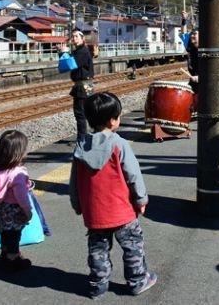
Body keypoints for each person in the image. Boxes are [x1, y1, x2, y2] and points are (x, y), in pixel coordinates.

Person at [70, 93, 157, 299]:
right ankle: (137, 281)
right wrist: (141, 199)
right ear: (112, 120)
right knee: (132, 247)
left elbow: (74, 181)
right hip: (122, 212)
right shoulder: (119, 144)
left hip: (94, 214)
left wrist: (77, 203)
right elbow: (134, 175)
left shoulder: (80, 147)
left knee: (98, 250)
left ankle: (98, 285)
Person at [0, 130, 33, 271]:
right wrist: (28, 212)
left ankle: (5, 252)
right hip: (15, 210)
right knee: (14, 235)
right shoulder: (18, 174)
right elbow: (22, 198)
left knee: (6, 232)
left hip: (2, 209)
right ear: (19, 153)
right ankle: (12, 260)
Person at [64, 29, 94, 141]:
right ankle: (85, 136)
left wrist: (63, 53)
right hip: (84, 84)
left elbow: (71, 64)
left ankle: (82, 138)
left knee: (80, 113)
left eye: (76, 36)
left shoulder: (82, 51)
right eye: (73, 36)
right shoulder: (78, 51)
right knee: (85, 112)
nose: (74, 38)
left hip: (83, 85)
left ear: (82, 39)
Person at [180, 11, 199, 91]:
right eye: (191, 34)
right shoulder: (188, 43)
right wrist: (184, 19)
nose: (192, 35)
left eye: (194, 34)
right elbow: (184, 32)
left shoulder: (207, 45)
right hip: (193, 77)